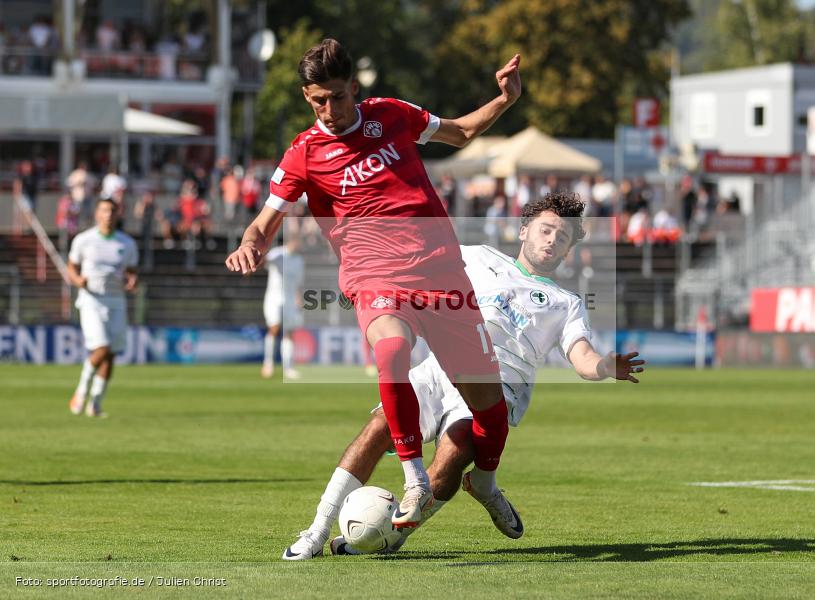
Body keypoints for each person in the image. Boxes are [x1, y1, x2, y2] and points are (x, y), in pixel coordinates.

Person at [227, 38, 521, 529]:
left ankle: (485, 483)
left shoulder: (391, 114)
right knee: (390, 352)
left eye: (337, 97)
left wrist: (506, 100)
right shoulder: (303, 153)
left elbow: (464, 132)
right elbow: (263, 222)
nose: (330, 109)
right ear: (306, 96)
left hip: (440, 271)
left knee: (491, 410)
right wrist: (250, 244)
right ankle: (414, 478)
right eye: (318, 99)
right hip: (374, 274)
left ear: (354, 89)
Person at [282, 193, 644, 559]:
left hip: (496, 386)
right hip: (440, 367)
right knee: (377, 428)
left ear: (568, 250)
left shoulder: (567, 303)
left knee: (454, 449)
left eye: (562, 237)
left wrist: (603, 366)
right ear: (523, 232)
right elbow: (415, 266)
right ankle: (315, 532)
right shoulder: (476, 256)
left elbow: (582, 358)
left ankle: (391, 538)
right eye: (545, 230)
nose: (552, 240)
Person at [67, 197, 138, 418]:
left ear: (118, 215)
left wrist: (132, 281)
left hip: (116, 300)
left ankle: (95, 404)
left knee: (111, 354)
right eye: (104, 210)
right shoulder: (84, 240)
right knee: (102, 348)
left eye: (112, 211)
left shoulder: (126, 244)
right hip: (91, 299)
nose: (108, 215)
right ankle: (80, 391)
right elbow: (72, 266)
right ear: (97, 214)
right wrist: (77, 280)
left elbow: (131, 271)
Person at [262, 237, 305, 380]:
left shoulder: (299, 260)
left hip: (290, 300)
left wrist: (299, 299)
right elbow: (264, 261)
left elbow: (298, 282)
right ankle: (268, 363)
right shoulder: (277, 253)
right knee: (274, 328)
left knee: (289, 332)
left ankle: (288, 368)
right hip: (274, 298)